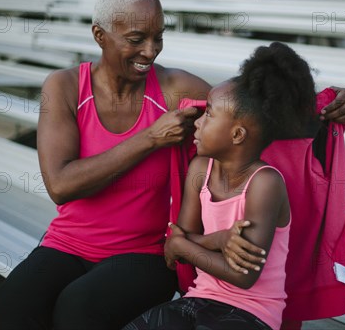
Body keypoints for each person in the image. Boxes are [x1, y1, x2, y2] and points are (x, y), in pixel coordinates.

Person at [0, 0, 345, 330]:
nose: (151, 50)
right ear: (100, 35)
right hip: (67, 243)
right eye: (137, 39)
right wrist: (150, 138)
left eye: (158, 37)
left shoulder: (172, 88)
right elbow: (60, 184)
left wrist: (325, 104)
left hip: (145, 254)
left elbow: (246, 113)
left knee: (78, 310)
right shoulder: (64, 86)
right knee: (12, 307)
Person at [124, 41, 317, 330]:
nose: (198, 123)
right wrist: (216, 241)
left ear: (237, 134)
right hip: (200, 299)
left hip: (253, 314)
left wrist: (183, 246)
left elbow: (243, 275)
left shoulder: (265, 183)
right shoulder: (200, 169)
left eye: (209, 114)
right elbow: (177, 242)